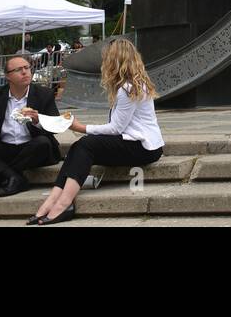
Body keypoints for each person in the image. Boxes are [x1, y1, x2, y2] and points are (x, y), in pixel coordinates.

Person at [31, 38, 164, 225]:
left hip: (143, 147)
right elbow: (119, 128)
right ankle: (54, 199)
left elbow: (116, 128)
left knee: (86, 144)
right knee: (80, 147)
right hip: (138, 143)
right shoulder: (131, 84)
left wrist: (80, 127)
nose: (103, 63)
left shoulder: (128, 88)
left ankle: (62, 203)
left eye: (106, 58)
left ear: (115, 60)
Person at [0, 51, 62, 197]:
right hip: (5, 146)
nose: (25, 72)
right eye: (18, 70)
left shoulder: (44, 94)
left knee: (43, 143)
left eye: (27, 68)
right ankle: (13, 177)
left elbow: (55, 125)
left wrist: (38, 121)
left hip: (31, 146)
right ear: (8, 76)